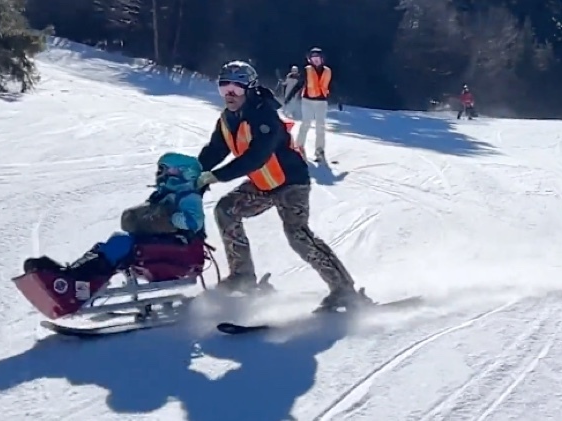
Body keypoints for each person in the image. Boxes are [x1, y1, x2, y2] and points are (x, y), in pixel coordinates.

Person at [196, 59, 371, 311]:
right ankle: (242, 275)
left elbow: (257, 156)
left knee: (297, 235)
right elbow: (214, 151)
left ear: (251, 88)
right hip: (264, 184)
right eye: (224, 88)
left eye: (237, 88)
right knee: (226, 210)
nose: (230, 94)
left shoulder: (264, 116)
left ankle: (344, 290)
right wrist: (192, 174)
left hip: (291, 184)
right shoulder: (227, 119)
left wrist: (216, 176)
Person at [20, 152, 209, 295]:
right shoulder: (164, 195)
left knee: (121, 243)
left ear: (185, 173)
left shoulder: (188, 196)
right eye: (160, 170)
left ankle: (76, 280)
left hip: (181, 251)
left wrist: (172, 218)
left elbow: (194, 223)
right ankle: (75, 275)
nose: (161, 174)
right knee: (116, 244)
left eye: (167, 170)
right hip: (163, 245)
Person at [284, 47, 332, 162]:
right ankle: (299, 147)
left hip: (321, 102)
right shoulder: (307, 70)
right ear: (310, 60)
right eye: (313, 58)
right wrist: (289, 97)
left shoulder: (327, 71)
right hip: (308, 101)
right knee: (305, 124)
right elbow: (299, 85)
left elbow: (332, 86)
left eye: (318, 58)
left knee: (320, 126)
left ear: (322, 59)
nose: (315, 60)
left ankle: (319, 150)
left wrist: (339, 99)